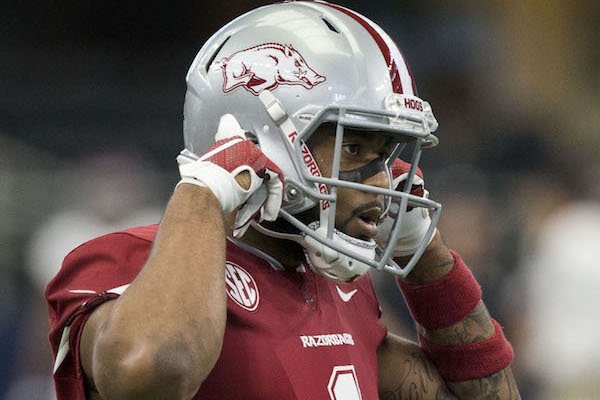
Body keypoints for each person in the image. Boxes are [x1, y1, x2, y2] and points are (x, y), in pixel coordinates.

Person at [46, 2, 520, 399]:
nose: (381, 181)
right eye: (354, 149)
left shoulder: (335, 286)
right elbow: (148, 373)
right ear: (255, 139)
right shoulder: (123, 259)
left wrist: (428, 257)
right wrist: (203, 194)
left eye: (385, 156)